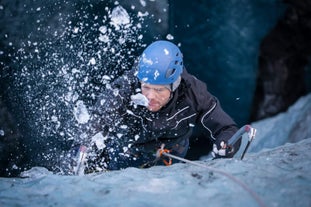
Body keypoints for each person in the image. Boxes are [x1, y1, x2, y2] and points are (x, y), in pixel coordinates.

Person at [70, 40, 241, 174]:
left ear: (174, 85)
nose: (150, 96)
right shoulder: (124, 88)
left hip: (173, 151)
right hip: (129, 152)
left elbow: (226, 127)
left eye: (159, 90)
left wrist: (226, 144)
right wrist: (84, 146)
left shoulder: (193, 92)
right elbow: (97, 118)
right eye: (146, 87)